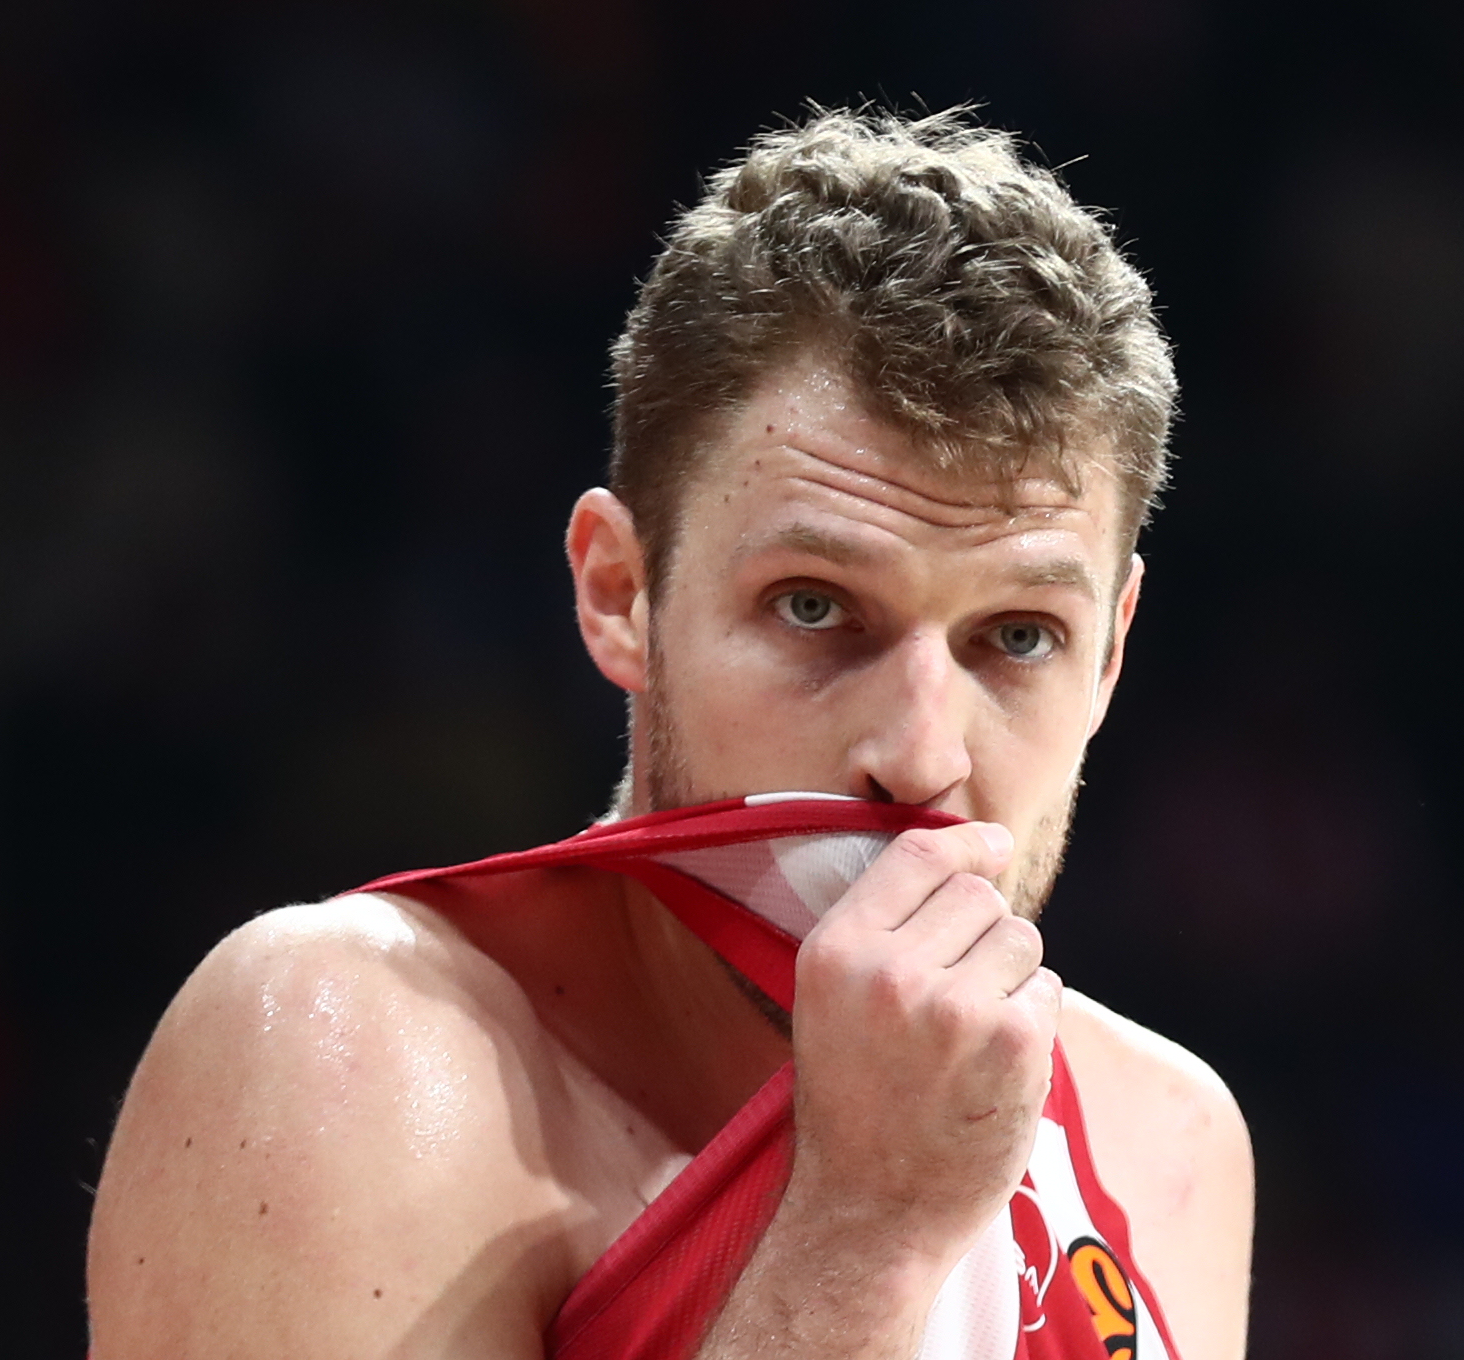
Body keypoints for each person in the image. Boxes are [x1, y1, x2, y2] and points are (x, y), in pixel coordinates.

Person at [86, 108, 1254, 1360]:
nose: (921, 758)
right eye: (814, 608)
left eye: (1018, 635)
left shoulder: (1170, 1139)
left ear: (1109, 653)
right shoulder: (341, 1057)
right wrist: (865, 1231)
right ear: (619, 595)